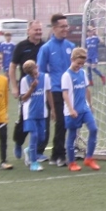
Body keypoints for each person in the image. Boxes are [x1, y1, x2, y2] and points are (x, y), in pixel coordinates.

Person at [37, 13, 76, 167]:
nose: (65, 29)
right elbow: (40, 72)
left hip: (70, 90)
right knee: (61, 121)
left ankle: (58, 154)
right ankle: (59, 155)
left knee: (69, 121)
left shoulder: (71, 46)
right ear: (54, 28)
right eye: (62, 26)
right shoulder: (46, 48)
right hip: (55, 90)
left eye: (66, 26)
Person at [10, 20, 45, 160]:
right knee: (24, 119)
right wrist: (14, 86)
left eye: (40, 30)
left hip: (41, 88)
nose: (38, 32)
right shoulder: (21, 46)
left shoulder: (44, 46)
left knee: (42, 119)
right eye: (36, 30)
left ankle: (36, 151)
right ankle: (18, 143)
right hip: (25, 89)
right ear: (28, 31)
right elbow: (12, 67)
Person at [61, 48, 99, 171]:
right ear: (72, 59)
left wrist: (90, 105)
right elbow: (65, 94)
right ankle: (71, 163)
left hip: (84, 108)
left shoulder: (82, 72)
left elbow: (87, 89)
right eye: (78, 63)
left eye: (82, 64)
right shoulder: (66, 75)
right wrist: (71, 109)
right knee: (72, 135)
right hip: (72, 111)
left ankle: (89, 158)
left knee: (94, 129)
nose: (80, 66)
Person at [19, 60, 50, 172]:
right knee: (34, 135)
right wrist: (32, 88)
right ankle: (34, 163)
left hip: (41, 111)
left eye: (35, 73)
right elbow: (23, 98)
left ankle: (29, 150)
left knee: (42, 138)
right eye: (31, 74)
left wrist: (52, 109)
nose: (34, 75)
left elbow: (48, 93)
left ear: (37, 67)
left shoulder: (45, 77)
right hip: (29, 113)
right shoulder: (24, 80)